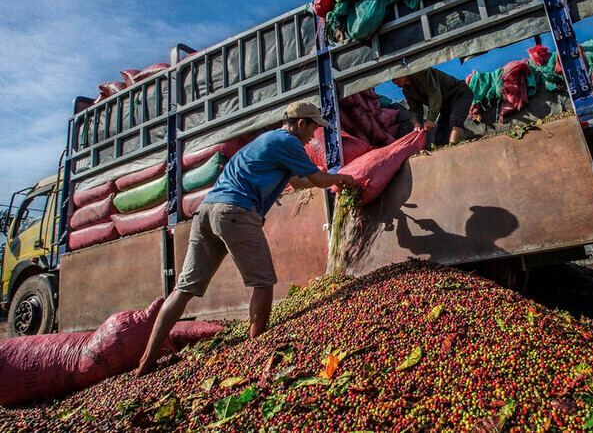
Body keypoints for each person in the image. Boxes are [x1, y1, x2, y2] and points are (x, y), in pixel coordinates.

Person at [136, 102, 355, 377]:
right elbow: (319, 179)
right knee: (263, 282)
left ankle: (147, 360)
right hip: (235, 211)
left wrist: (327, 180)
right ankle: (256, 348)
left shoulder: (266, 141)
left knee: (184, 289)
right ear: (301, 124)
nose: (314, 135)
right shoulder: (288, 142)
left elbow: (299, 183)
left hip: (206, 211)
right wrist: (344, 179)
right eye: (313, 128)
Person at [392, 67, 473, 145]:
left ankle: (456, 150)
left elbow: (434, 94)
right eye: (392, 80)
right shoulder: (407, 91)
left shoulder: (420, 73)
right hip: (445, 106)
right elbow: (415, 108)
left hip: (459, 94)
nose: (394, 82)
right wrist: (417, 123)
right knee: (440, 135)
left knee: (455, 122)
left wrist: (431, 119)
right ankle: (444, 155)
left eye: (395, 78)